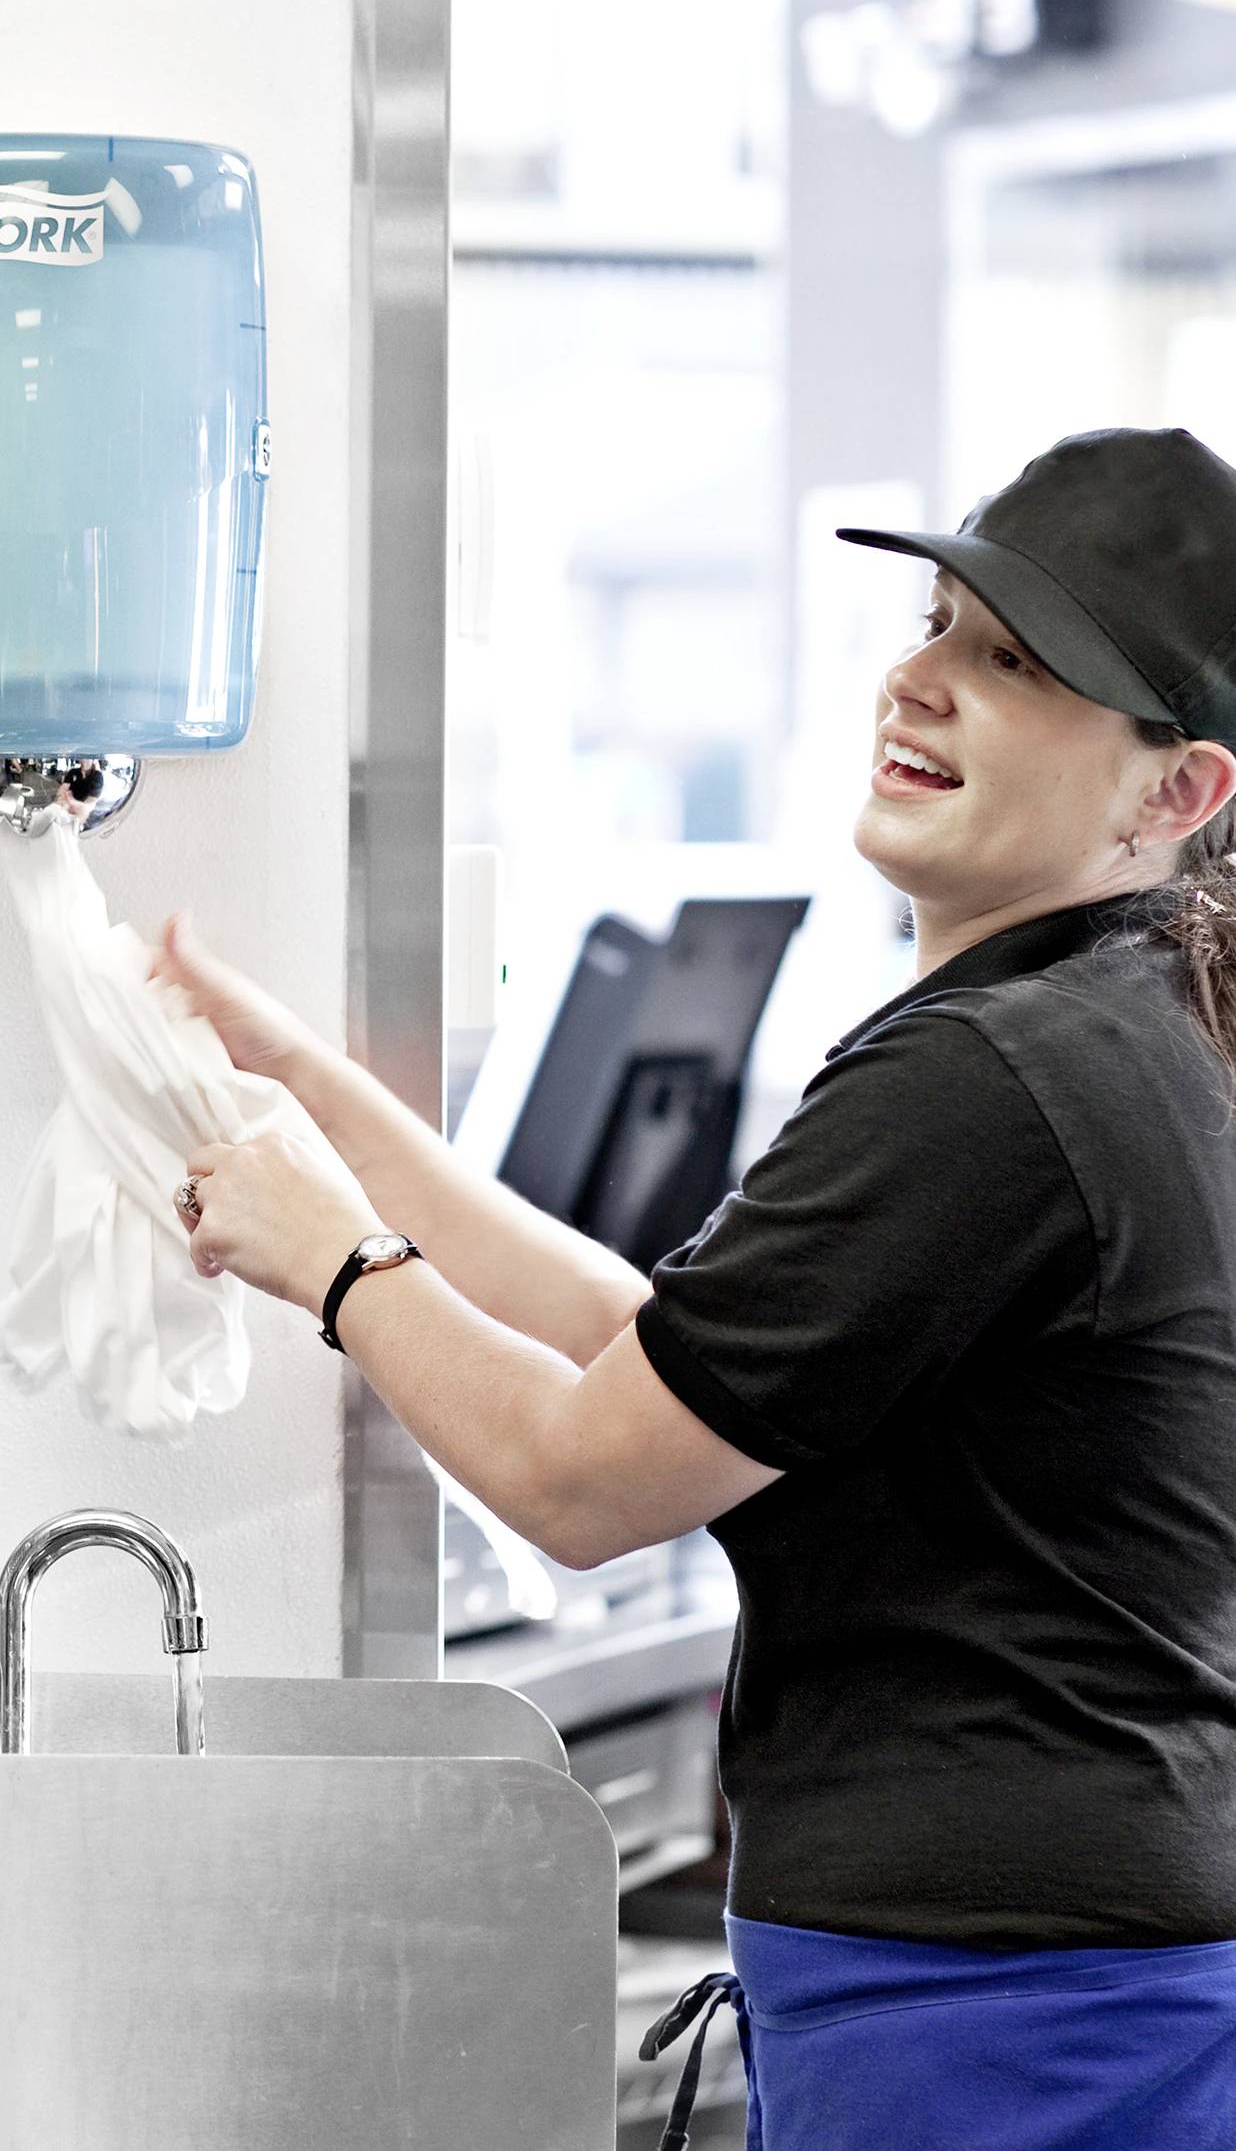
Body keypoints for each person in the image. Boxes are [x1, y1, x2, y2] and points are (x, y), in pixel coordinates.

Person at [166, 425, 1236, 2148]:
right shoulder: (1105, 1027)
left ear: (1172, 793)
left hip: (1009, 2009)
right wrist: (311, 1086)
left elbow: (586, 1478)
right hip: (1056, 1970)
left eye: (1016, 665)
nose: (927, 679)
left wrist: (335, 1264)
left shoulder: (998, 1080)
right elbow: (652, 1352)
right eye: (943, 621)